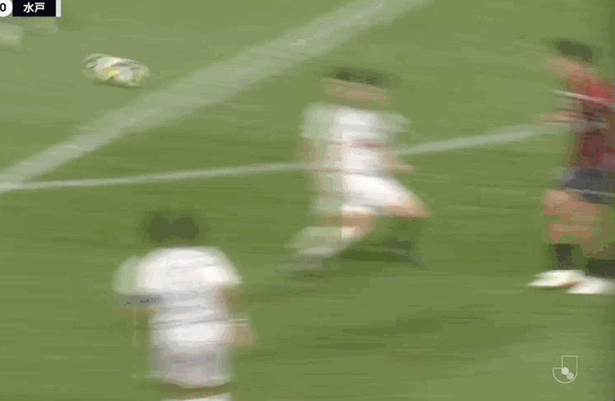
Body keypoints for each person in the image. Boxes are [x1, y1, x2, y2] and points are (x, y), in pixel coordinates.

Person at [288, 67, 429, 273]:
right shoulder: (336, 117)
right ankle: (398, 249)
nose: (381, 95)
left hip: (377, 178)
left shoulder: (382, 119)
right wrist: (320, 178)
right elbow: (312, 148)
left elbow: (381, 149)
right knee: (412, 213)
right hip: (353, 179)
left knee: (360, 228)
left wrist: (396, 164)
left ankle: (312, 257)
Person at [117, 211, 255, 401]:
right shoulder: (212, 257)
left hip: (172, 337)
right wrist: (241, 324)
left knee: (176, 389)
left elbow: (148, 305)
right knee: (217, 385)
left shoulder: (153, 262)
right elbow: (229, 290)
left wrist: (127, 303)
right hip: (213, 333)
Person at [529, 39, 615, 295]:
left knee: (586, 216)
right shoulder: (574, 87)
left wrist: (573, 120)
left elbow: (601, 116)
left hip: (603, 163)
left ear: (576, 63)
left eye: (558, 61)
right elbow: (580, 116)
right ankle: (564, 271)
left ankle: (602, 275)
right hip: (581, 160)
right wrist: (563, 118)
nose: (552, 65)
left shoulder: (598, 90)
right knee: (554, 203)